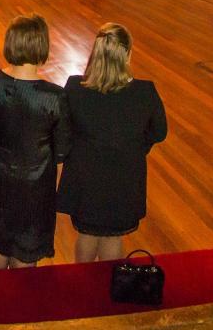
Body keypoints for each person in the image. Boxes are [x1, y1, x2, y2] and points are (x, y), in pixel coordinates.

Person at [58, 23, 168, 262]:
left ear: (96, 52)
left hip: (84, 178)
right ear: (128, 54)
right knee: (113, 239)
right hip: (124, 179)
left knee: (86, 235)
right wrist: (136, 146)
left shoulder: (75, 88)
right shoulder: (145, 92)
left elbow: (63, 130)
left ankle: (83, 281)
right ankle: (108, 284)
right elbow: (159, 132)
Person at [0, 15, 68, 269]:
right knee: (26, 249)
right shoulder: (54, 97)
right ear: (42, 47)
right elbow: (61, 150)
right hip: (35, 186)